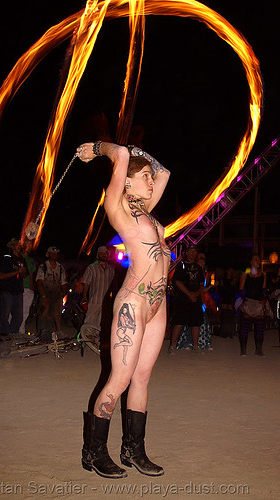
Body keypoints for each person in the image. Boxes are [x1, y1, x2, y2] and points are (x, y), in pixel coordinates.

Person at [77, 141, 170, 478]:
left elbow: (165, 172)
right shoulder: (118, 206)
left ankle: (134, 450)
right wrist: (98, 148)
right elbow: (120, 156)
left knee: (142, 379)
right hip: (134, 303)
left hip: (158, 305)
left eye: (149, 176)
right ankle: (94, 451)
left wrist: (140, 152)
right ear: (127, 181)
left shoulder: (147, 209)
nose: (151, 180)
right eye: (144, 176)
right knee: (120, 378)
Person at [169, 245, 204, 354]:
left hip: (195, 299)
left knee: (196, 323)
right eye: (191, 251)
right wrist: (189, 294)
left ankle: (195, 346)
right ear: (187, 253)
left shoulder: (199, 268)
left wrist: (196, 294)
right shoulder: (181, 265)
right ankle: (172, 346)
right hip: (183, 298)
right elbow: (178, 282)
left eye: (195, 251)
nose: (193, 254)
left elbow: (202, 284)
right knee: (178, 322)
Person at [80, 246, 115, 354]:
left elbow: (112, 285)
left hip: (106, 301)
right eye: (102, 253)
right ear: (98, 254)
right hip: (95, 299)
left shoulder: (110, 269)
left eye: (106, 253)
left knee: (102, 321)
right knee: (90, 319)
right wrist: (84, 296)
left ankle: (95, 340)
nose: (105, 255)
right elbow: (86, 282)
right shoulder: (92, 267)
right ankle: (85, 340)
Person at [238, 254, 267, 356]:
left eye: (259, 260)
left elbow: (263, 289)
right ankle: (243, 350)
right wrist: (243, 299)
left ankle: (258, 349)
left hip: (259, 301)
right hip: (248, 300)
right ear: (251, 262)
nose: (258, 262)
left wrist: (264, 299)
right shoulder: (246, 272)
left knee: (259, 326)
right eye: (255, 260)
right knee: (245, 325)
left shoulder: (263, 273)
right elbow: (240, 288)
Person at [36, 246, 67, 333]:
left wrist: (63, 292)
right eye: (53, 254)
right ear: (48, 254)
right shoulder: (43, 266)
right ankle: (41, 332)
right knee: (44, 313)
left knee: (57, 314)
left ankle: (58, 330)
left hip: (56, 294)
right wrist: (43, 295)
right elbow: (39, 281)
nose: (55, 255)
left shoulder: (60, 268)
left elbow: (63, 281)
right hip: (45, 293)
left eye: (56, 254)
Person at [0, 238, 27, 335]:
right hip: (8, 290)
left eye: (20, 245)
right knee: (5, 315)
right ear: (12, 246)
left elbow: (25, 274)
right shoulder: (7, 258)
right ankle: (4, 336)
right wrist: (17, 272)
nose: (19, 246)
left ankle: (12, 334)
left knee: (19, 317)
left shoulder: (22, 259)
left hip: (18, 291)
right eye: (16, 244)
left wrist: (23, 272)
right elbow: (1, 275)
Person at [19, 239, 36, 334]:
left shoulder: (31, 260)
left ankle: (21, 330)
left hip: (27, 288)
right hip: (18, 287)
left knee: (25, 311)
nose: (29, 246)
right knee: (15, 310)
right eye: (27, 244)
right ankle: (12, 330)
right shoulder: (18, 257)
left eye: (31, 245)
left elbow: (32, 275)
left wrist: (31, 287)